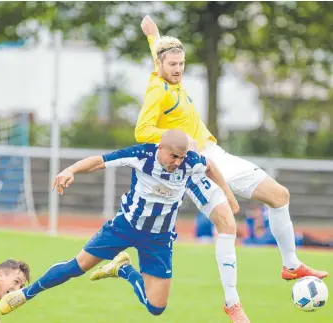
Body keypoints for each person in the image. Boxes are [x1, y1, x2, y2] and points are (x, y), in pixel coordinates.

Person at [136, 15, 328, 284]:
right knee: (228, 226)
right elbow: (142, 131)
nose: (179, 69)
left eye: (182, 64)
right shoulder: (158, 91)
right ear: (160, 65)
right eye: (173, 65)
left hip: (217, 154)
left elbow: (160, 51)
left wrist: (153, 33)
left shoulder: (171, 75)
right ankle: (232, 299)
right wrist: (177, 138)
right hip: (198, 165)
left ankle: (291, 265)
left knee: (280, 195)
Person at [0, 129, 250, 322]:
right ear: (160, 148)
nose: (177, 162)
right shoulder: (141, 155)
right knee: (78, 266)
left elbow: (210, 166)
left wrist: (227, 194)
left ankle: (123, 269)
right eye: (173, 156)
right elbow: (99, 160)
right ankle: (26, 294)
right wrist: (70, 170)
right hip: (124, 226)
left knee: (156, 308)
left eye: (181, 157)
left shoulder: (189, 161)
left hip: (159, 238)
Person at [243, 203, 333, 248]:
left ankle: (329, 243)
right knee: (319, 244)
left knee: (319, 244)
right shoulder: (252, 223)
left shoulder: (268, 223)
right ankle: (328, 243)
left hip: (297, 239)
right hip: (296, 241)